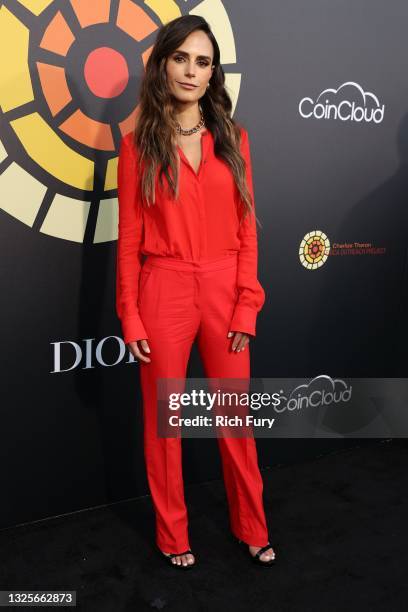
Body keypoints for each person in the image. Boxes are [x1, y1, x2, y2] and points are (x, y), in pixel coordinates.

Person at [116, 15, 276, 569]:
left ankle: (251, 526)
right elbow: (130, 241)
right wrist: (130, 315)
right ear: (162, 64)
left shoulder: (235, 139)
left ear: (213, 74)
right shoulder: (137, 146)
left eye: (202, 61)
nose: (191, 70)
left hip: (225, 286)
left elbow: (248, 229)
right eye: (181, 57)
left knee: (236, 420)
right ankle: (172, 535)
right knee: (166, 428)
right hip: (164, 288)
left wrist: (246, 304)